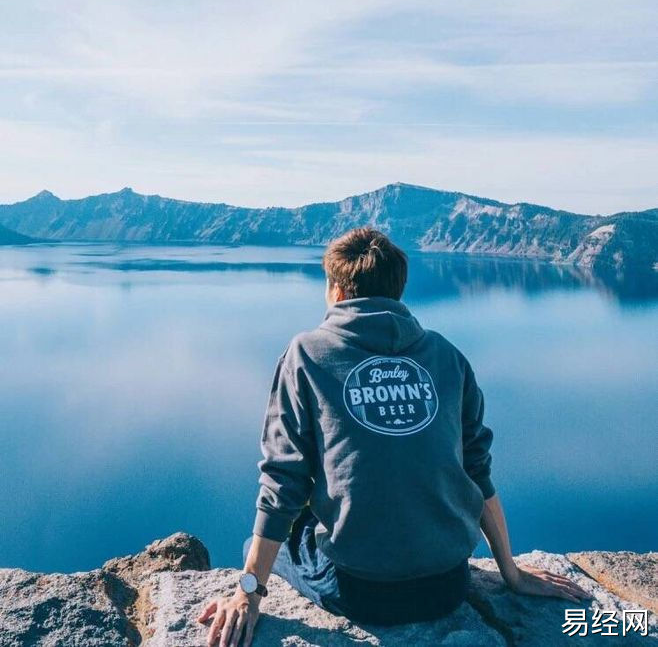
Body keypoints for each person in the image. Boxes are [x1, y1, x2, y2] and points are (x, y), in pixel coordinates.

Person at [198, 227, 588, 645]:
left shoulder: (307, 354)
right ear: (398, 291)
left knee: (255, 547)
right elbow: (477, 470)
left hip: (359, 593)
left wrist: (247, 591)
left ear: (337, 291)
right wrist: (509, 572)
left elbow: (283, 479)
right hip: (447, 586)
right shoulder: (446, 355)